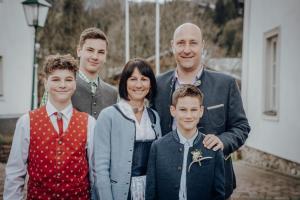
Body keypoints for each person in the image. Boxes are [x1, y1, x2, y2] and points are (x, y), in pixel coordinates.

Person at [150, 23, 250, 199]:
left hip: (213, 184)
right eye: (181, 43)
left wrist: (222, 141)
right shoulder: (157, 85)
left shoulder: (226, 84)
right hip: (168, 183)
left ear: (202, 45)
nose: (186, 49)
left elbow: (241, 126)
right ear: (172, 45)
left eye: (193, 43)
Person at [4, 54, 95, 199]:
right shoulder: (26, 121)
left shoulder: (89, 122)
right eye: (56, 79)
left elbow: (94, 172)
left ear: (75, 83)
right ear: (45, 82)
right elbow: (15, 173)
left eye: (68, 79)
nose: (63, 85)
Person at [94, 58, 161, 200]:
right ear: (124, 82)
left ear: (150, 84)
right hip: (119, 193)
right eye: (133, 79)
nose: (138, 85)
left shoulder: (154, 116)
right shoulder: (108, 116)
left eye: (144, 79)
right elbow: (100, 167)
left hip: (149, 190)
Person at [146, 85, 225, 200]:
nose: (188, 116)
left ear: (201, 111)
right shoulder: (158, 147)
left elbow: (219, 194)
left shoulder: (213, 147)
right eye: (183, 110)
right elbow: (151, 191)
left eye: (194, 110)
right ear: (173, 111)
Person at [41, 27, 118, 119]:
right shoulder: (59, 85)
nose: (95, 56)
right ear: (79, 51)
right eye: (90, 50)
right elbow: (42, 121)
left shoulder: (113, 94)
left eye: (101, 52)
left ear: (105, 56)